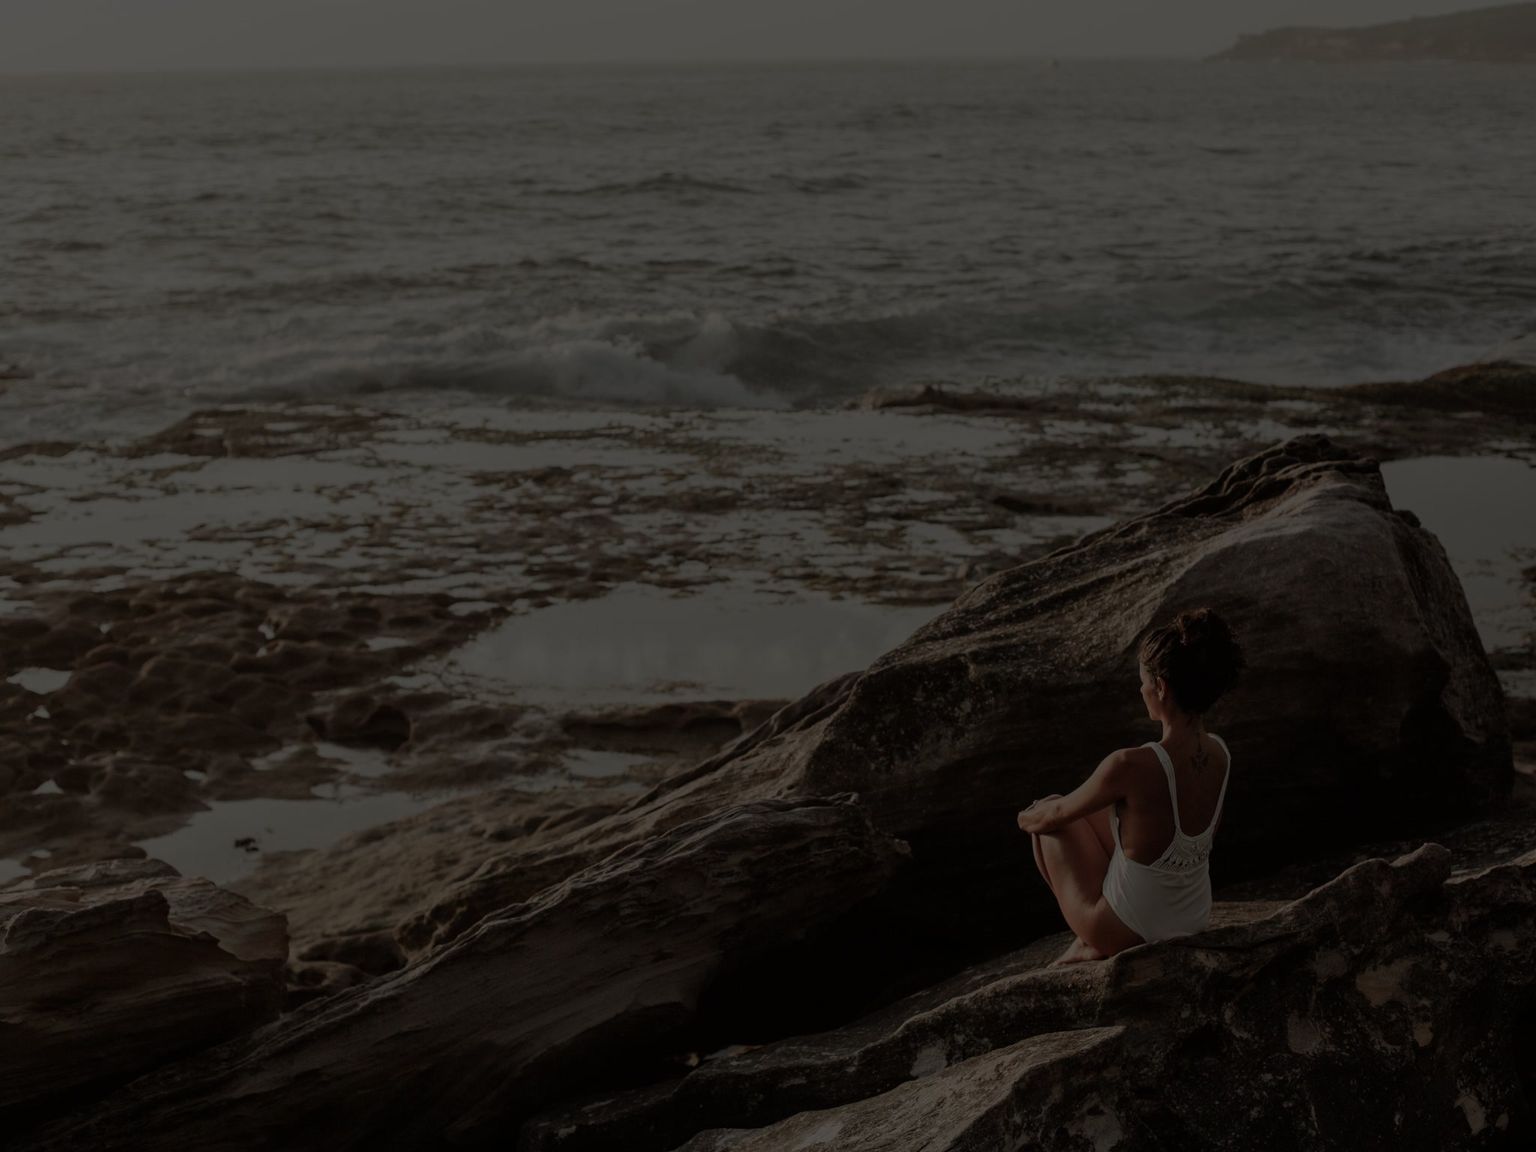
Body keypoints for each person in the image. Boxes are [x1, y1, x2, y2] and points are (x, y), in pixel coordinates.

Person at [1016, 608, 1246, 965]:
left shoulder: (1130, 765)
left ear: (1161, 686)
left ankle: (1091, 940)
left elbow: (1056, 814)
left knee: (1049, 819)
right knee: (1102, 817)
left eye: (1143, 681)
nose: (1141, 689)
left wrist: (1025, 818)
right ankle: (1097, 933)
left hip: (1129, 931)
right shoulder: (1220, 752)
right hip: (1192, 918)